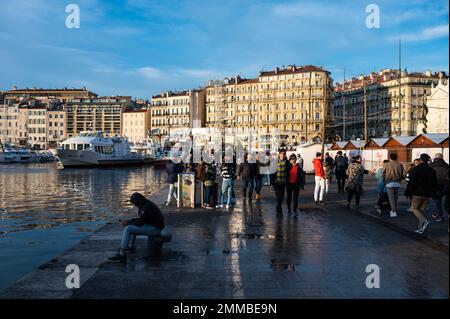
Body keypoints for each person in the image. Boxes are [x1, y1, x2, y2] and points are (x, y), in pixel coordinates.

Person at [107, 192, 165, 263]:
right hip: (153, 225)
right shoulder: (145, 204)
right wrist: (128, 221)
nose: (135, 206)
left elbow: (140, 223)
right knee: (131, 226)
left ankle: (122, 254)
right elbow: (141, 219)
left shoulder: (147, 207)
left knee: (128, 229)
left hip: (155, 229)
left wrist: (127, 223)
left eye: (135, 204)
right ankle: (131, 247)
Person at [404, 153, 437, 235]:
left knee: (414, 208)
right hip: (428, 193)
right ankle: (420, 227)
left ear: (421, 160)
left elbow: (412, 182)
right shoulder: (432, 170)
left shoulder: (416, 169)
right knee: (421, 210)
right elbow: (434, 182)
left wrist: (408, 192)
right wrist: (434, 192)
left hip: (418, 192)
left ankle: (424, 221)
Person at [382, 153, 405, 218]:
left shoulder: (386, 164)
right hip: (397, 182)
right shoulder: (400, 164)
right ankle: (393, 210)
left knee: (391, 198)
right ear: (396, 158)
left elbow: (383, 174)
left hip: (389, 183)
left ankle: (393, 211)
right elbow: (403, 174)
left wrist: (384, 180)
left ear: (390, 158)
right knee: (395, 198)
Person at [430, 153, 449, 222]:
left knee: (437, 200)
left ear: (435, 158)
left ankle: (439, 215)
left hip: (436, 185)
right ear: (442, 158)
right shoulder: (447, 165)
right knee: (447, 202)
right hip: (446, 185)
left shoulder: (431, 165)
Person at [270, 149, 289, 217]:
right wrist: (272, 183)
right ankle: (279, 211)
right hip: (277, 182)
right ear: (279, 154)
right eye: (281, 153)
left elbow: (289, 173)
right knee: (278, 197)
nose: (282, 155)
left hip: (283, 183)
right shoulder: (275, 162)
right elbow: (271, 172)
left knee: (281, 198)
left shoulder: (287, 162)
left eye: (284, 153)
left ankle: (278, 208)